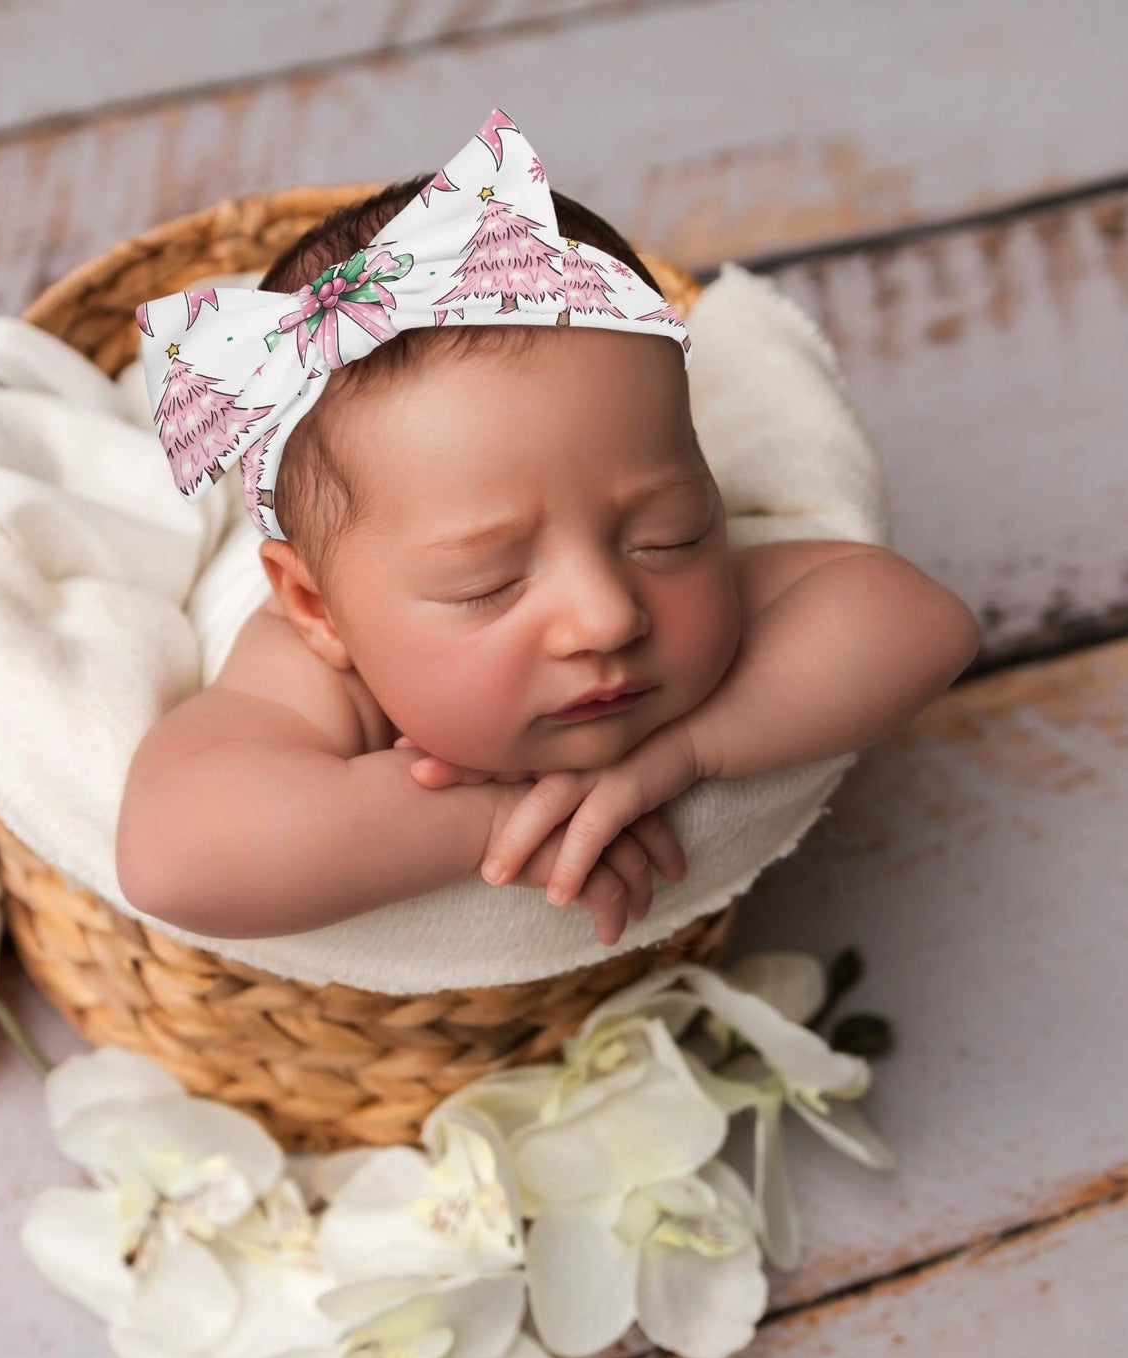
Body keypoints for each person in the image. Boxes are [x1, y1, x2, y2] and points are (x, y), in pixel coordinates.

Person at [115, 112, 980, 948]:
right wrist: (495, 817)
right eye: (485, 584)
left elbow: (919, 620)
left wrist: (681, 752)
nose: (607, 615)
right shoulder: (305, 666)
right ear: (318, 608)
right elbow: (174, 856)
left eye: (667, 534)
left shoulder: (670, 588)